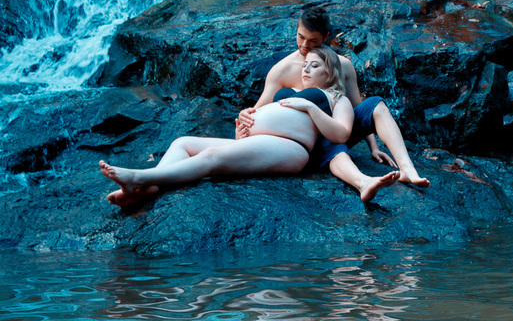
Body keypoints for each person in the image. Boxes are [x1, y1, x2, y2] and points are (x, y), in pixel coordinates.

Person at [100, 46, 392, 207]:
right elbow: (259, 111)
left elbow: (340, 134)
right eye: (305, 65)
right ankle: (149, 188)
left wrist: (310, 107)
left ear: (330, 72)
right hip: (263, 141)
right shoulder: (292, 89)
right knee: (182, 143)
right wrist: (245, 124)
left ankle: (140, 177)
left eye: (314, 65)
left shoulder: (335, 97)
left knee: (212, 157)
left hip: (291, 147)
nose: (305, 68)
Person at [237, 5, 429, 200]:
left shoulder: (343, 65)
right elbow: (257, 111)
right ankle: (362, 182)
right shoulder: (282, 70)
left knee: (376, 104)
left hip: (338, 129)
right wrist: (244, 119)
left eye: (312, 41)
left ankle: (407, 169)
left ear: (326, 37)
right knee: (331, 143)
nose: (304, 45)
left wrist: (373, 147)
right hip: (306, 139)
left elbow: (358, 108)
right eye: (300, 37)